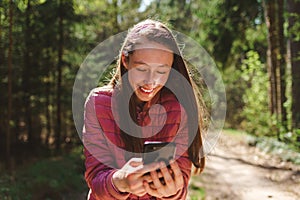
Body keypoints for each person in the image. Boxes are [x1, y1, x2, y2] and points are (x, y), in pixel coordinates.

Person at [82, 19, 206, 200]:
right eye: (141, 68)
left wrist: (173, 192)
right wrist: (121, 181)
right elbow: (96, 178)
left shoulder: (179, 109)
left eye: (162, 71)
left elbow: (182, 182)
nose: (151, 81)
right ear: (125, 60)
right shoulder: (98, 103)